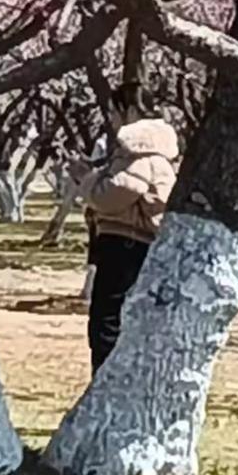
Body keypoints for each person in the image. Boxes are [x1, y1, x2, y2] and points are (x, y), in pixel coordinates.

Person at [79, 82, 179, 373]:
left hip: (124, 246)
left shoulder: (140, 154)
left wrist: (88, 179)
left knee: (106, 323)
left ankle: (104, 383)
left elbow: (111, 196)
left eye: (114, 112)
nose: (111, 120)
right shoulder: (148, 153)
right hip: (130, 244)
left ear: (131, 111)